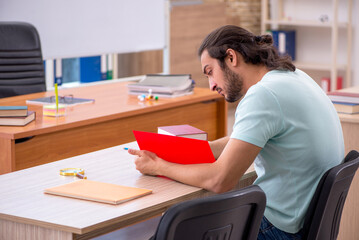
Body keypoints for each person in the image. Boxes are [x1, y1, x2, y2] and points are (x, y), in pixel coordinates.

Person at [129, 25, 344, 239]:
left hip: (278, 229)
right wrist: (190, 150)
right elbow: (243, 138)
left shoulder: (263, 95)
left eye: (210, 72)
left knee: (169, 233)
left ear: (231, 57)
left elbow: (220, 181)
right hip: (305, 223)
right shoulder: (293, 77)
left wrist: (158, 166)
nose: (211, 85)